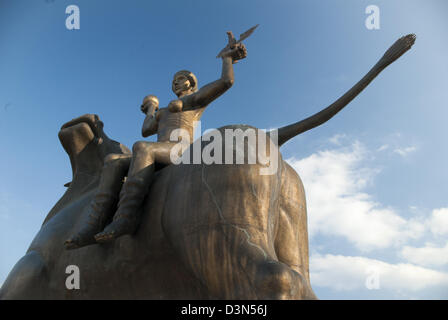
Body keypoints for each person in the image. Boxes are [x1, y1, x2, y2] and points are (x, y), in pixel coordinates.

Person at [65, 41, 247, 249]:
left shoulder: (195, 101)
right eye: (174, 81)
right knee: (113, 160)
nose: (176, 83)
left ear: (191, 83)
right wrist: (152, 107)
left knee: (142, 148)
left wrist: (227, 59)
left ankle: (126, 216)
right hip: (161, 150)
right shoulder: (163, 112)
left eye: (181, 79)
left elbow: (226, 82)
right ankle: (93, 223)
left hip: (182, 149)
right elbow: (146, 129)